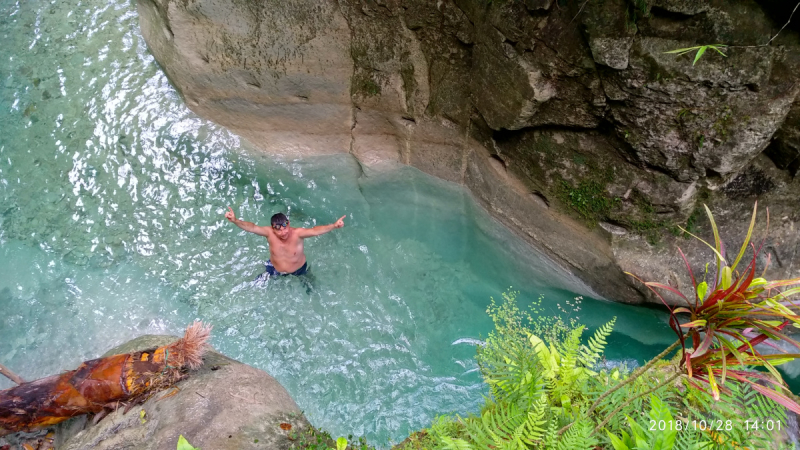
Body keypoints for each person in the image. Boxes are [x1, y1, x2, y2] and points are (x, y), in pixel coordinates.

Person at [225, 207, 345, 277]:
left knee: (311, 289)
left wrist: (334, 226)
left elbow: (314, 231)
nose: (283, 232)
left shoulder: (298, 234)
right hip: (274, 268)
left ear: (288, 224)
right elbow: (252, 227)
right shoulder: (269, 233)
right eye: (279, 230)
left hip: (299, 270)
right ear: (273, 228)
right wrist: (235, 220)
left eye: (285, 228)